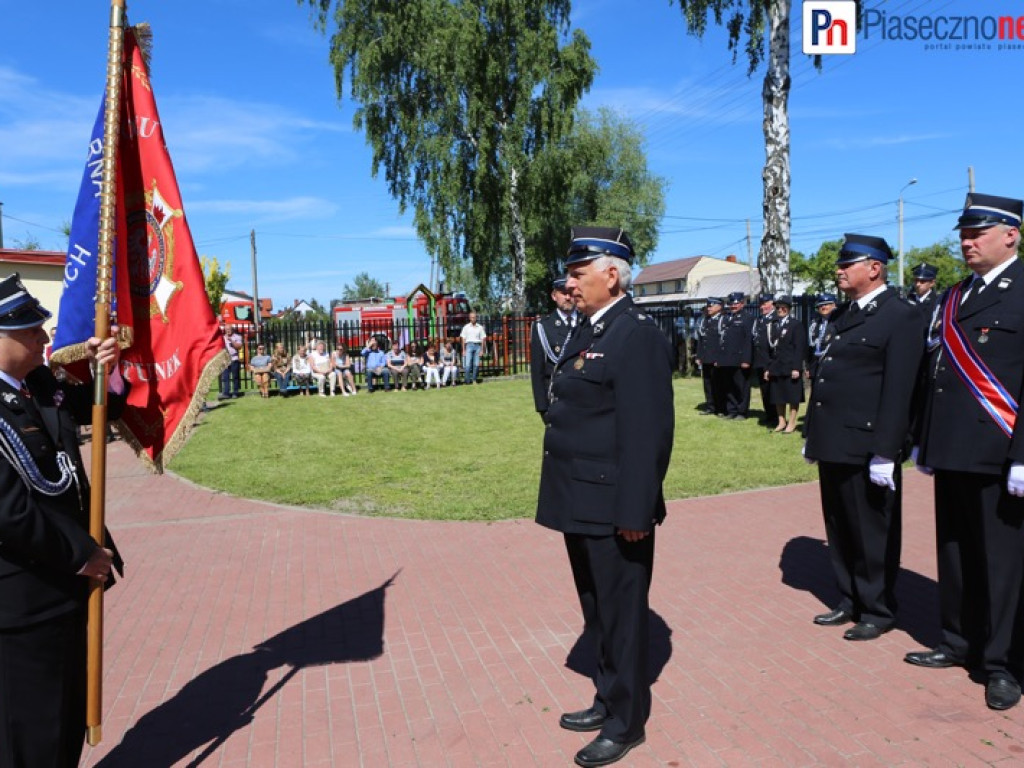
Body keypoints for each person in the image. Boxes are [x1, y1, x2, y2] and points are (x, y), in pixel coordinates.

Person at [536, 226, 674, 768]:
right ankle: (606, 697)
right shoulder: (589, 329)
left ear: (610, 274)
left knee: (621, 615)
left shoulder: (634, 334)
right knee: (598, 612)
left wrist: (636, 510)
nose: (570, 284)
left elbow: (648, 432)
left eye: (577, 273)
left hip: (617, 506)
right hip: (581, 499)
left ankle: (625, 722)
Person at [0, 274, 129, 768]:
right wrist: (84, 555)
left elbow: (99, 408)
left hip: (68, 590)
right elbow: (9, 513)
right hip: (25, 600)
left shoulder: (39, 381)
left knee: (67, 724)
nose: (42, 336)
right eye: (29, 329)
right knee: (30, 736)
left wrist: (105, 370)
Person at [907, 193, 1024, 711]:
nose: (967, 242)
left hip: (1000, 452)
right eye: (964, 234)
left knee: (1002, 564)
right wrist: (923, 439)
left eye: (978, 233)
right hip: (952, 447)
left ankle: (1004, 663)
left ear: (1011, 235)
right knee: (954, 553)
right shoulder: (953, 295)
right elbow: (937, 376)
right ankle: (958, 640)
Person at [803, 234, 924, 642]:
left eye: (848, 263)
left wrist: (886, 451)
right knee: (839, 524)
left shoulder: (900, 315)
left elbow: (899, 389)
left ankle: (878, 607)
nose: (839, 270)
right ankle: (850, 598)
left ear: (874, 268)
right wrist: (812, 433)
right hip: (834, 440)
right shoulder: (841, 315)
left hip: (869, 444)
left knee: (873, 530)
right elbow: (825, 378)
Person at [530, 277, 577, 418]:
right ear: (554, 296)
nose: (568, 297)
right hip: (557, 401)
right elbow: (537, 371)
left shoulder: (588, 322)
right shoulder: (543, 327)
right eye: (563, 292)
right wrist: (543, 408)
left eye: (571, 292)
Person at [764, 295, 806, 433]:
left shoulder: (796, 325)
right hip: (776, 366)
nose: (780, 310)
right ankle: (781, 421)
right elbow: (770, 349)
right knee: (778, 395)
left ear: (789, 309)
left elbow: (799, 348)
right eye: (778, 308)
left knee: (792, 396)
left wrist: (796, 368)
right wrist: (768, 368)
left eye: (783, 307)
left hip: (790, 366)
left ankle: (792, 422)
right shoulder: (773, 325)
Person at [715, 291, 752, 420]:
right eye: (731, 304)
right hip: (726, 358)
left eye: (736, 304)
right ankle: (732, 410)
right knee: (729, 386)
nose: (733, 306)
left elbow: (748, 340)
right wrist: (719, 359)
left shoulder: (747, 318)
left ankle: (742, 411)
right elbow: (721, 340)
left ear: (742, 304)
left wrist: (746, 359)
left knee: (741, 386)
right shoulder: (726, 318)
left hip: (739, 358)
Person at [694, 297, 724, 415]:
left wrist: (720, 358)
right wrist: (699, 356)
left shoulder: (722, 320)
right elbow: (701, 340)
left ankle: (721, 408)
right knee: (707, 384)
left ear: (719, 307)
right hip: (706, 358)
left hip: (716, 358)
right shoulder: (705, 320)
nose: (709, 308)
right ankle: (710, 406)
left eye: (712, 305)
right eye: (708, 306)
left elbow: (723, 342)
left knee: (719, 384)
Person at [749, 293, 776, 425]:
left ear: (772, 304)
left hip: (770, 360)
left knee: (772, 390)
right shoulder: (759, 319)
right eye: (761, 304)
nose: (762, 307)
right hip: (760, 360)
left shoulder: (775, 318)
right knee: (764, 390)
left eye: (765, 304)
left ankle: (776, 416)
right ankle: (769, 414)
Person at [806, 293, 836, 378]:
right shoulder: (815, 324)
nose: (823, 307)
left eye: (826, 304)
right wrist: (809, 367)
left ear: (833, 305)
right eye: (820, 305)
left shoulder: (838, 322)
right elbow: (811, 348)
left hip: (832, 364)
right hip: (816, 364)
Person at [459, 311, 487, 384]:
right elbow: (463, 338)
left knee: (476, 365)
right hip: (469, 345)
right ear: (469, 318)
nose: (473, 319)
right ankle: (467, 381)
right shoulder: (466, 327)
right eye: (471, 317)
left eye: (474, 317)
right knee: (467, 364)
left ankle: (474, 379)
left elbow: (483, 339)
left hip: (477, 346)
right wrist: (463, 349)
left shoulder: (480, 327)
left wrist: (482, 350)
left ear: (476, 318)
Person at [218, 323, 242, 399]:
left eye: (229, 329)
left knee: (235, 376)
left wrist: (232, 341)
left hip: (234, 359)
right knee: (225, 377)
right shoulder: (222, 338)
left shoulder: (237, 337)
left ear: (232, 329)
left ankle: (235, 392)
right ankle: (226, 393)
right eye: (226, 329)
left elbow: (239, 347)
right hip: (225, 360)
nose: (228, 331)